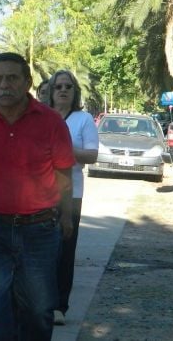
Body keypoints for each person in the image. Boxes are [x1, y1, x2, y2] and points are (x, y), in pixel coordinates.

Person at [0, 52, 75, 340]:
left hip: (40, 230)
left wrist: (66, 216)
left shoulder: (51, 122)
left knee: (38, 311)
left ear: (27, 82)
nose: (3, 85)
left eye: (12, 78)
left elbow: (63, 175)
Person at [47, 70, 98, 326]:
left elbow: (91, 155)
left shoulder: (83, 119)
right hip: (39, 194)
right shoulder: (42, 117)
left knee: (64, 251)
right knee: (40, 251)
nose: (63, 90)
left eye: (68, 86)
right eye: (58, 87)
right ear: (51, 91)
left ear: (75, 91)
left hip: (71, 194)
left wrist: (63, 150)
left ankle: (59, 306)